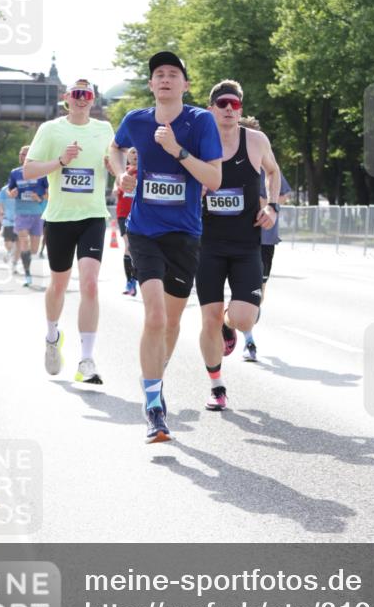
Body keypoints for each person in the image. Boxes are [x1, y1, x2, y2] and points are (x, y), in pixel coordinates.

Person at [108, 51, 223, 443]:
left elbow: (215, 178)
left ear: (185, 84)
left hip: (185, 233)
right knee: (155, 317)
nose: (166, 79)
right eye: (159, 74)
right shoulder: (135, 120)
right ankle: (154, 405)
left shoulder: (200, 121)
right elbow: (115, 147)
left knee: (172, 323)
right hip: (144, 230)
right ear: (151, 84)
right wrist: (121, 173)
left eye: (174, 74)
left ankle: (155, 373)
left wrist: (177, 150)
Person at [196, 82, 280, 410]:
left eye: (234, 104)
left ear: (240, 108)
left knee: (245, 318)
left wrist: (272, 206)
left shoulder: (256, 141)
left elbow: (273, 171)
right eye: (222, 103)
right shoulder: (198, 142)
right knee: (209, 317)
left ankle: (230, 327)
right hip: (207, 244)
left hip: (246, 243)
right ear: (211, 108)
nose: (229, 109)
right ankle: (216, 386)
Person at [24, 79, 114, 384]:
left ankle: (87, 360)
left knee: (89, 284)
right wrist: (61, 161)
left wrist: (118, 169)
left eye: (87, 94)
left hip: (93, 215)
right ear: (67, 99)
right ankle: (52, 335)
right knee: (58, 285)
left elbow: (115, 162)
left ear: (93, 99)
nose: (81, 99)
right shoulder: (50, 129)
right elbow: (29, 171)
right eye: (76, 94)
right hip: (60, 217)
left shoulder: (104, 129)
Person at [238, 116, 293, 362]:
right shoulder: (229, 161)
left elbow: (283, 195)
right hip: (235, 236)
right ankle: (247, 339)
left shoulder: (266, 165)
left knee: (257, 290)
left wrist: (267, 205)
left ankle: (243, 323)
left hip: (265, 238)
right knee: (238, 289)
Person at [7, 145, 49, 287]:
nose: (22, 156)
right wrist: (11, 193)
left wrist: (39, 198)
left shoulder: (42, 174)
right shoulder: (15, 173)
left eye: (25, 154)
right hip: (21, 213)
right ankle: (27, 274)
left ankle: (18, 253)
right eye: (21, 154)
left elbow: (49, 194)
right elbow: (10, 190)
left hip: (37, 214)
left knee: (34, 249)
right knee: (24, 242)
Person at [115, 147, 138, 295]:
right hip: (124, 213)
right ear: (127, 156)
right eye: (132, 152)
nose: (135, 155)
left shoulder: (147, 170)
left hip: (140, 214)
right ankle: (130, 282)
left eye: (138, 152)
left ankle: (136, 278)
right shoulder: (123, 173)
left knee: (137, 248)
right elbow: (115, 188)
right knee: (129, 245)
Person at [0, 182, 19, 271]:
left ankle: (14, 264)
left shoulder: (24, 188)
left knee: (19, 243)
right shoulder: (4, 189)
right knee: (8, 244)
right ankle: (9, 253)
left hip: (21, 221)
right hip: (8, 221)